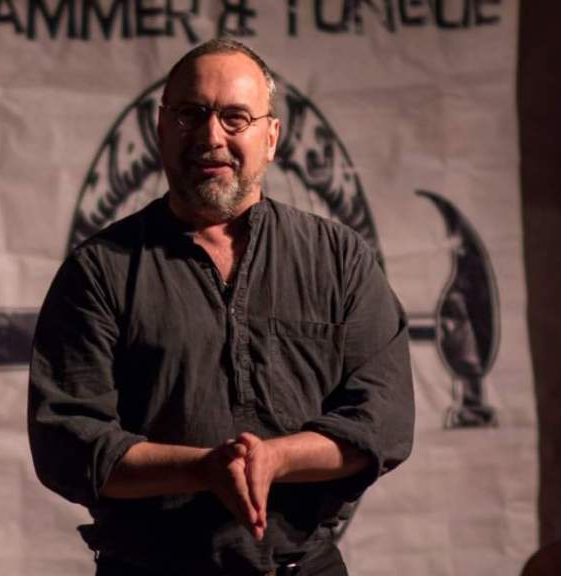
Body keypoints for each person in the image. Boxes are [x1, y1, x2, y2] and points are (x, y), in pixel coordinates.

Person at [27, 39, 414, 576]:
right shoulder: (100, 270)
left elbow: (383, 424)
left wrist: (277, 457)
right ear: (161, 130)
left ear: (270, 137)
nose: (211, 137)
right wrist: (205, 469)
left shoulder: (338, 259)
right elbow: (66, 442)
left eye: (235, 118)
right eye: (191, 115)